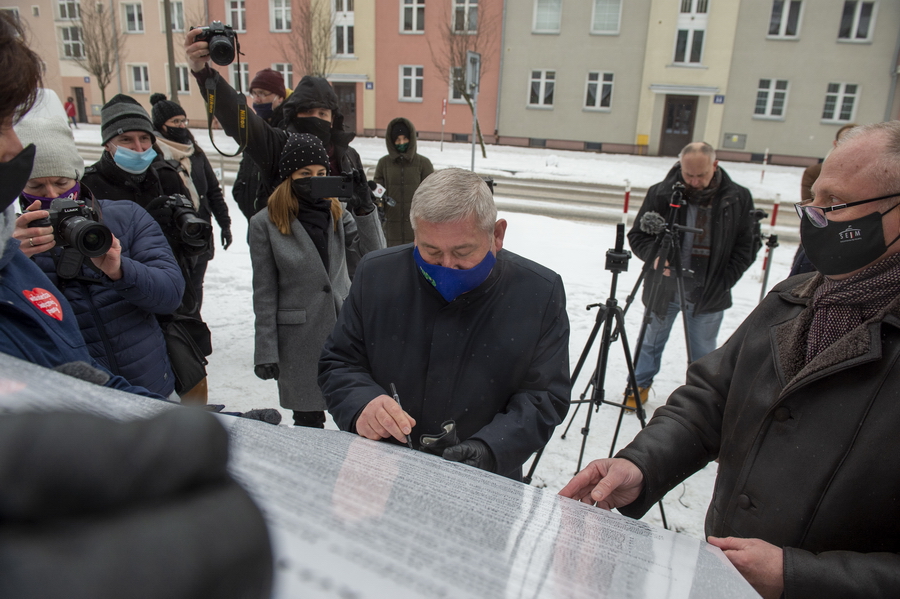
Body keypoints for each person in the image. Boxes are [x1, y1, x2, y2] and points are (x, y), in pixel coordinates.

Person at [560, 121, 900, 599]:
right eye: (812, 200)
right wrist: (641, 465)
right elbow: (709, 401)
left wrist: (800, 577)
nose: (813, 219)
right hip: (723, 579)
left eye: (834, 204)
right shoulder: (791, 301)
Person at [319, 168, 571, 480]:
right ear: (415, 235)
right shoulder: (377, 276)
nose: (447, 266)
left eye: (463, 252)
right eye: (432, 251)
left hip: (485, 484)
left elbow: (544, 395)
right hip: (380, 473)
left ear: (497, 234)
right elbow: (339, 361)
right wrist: (362, 404)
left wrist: (489, 449)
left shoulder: (537, 293)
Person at [13, 107, 184, 398]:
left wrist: (121, 271)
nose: (53, 195)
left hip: (150, 386)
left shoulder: (126, 216)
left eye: (62, 183)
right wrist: (12, 262)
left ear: (78, 178)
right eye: (37, 185)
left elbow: (170, 295)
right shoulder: (12, 239)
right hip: (67, 398)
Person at [81, 93, 213, 403]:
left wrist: (182, 234)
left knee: (195, 396)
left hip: (175, 306)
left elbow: (192, 242)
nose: (139, 148)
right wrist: (144, 225)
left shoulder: (166, 176)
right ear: (107, 144)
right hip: (125, 314)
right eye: (126, 140)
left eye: (145, 139)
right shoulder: (90, 187)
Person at [251, 133, 385, 428]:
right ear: (289, 177)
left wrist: (365, 208)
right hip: (298, 339)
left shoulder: (338, 213)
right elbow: (264, 292)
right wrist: (266, 350)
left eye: (322, 174)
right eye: (305, 174)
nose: (315, 180)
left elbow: (374, 257)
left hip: (343, 331)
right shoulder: (265, 223)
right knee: (308, 425)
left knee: (355, 418)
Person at [184, 30, 376, 228]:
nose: (315, 119)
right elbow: (239, 118)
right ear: (294, 115)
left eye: (322, 113)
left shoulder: (347, 155)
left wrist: (367, 206)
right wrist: (203, 73)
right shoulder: (278, 145)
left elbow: (362, 216)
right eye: (308, 111)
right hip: (288, 244)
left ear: (332, 118)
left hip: (338, 250)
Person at [625, 142, 757, 406]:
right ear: (679, 167)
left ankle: (699, 399)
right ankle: (638, 386)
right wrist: (655, 258)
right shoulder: (661, 193)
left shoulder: (737, 197)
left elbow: (748, 244)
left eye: (701, 175)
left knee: (704, 353)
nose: (694, 182)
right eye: (689, 175)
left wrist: (724, 279)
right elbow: (638, 235)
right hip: (664, 289)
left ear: (715, 165)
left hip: (708, 292)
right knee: (649, 343)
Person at [151, 92, 233, 309]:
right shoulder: (153, 155)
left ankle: (195, 324)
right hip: (172, 238)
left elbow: (213, 191)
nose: (181, 126)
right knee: (178, 287)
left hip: (200, 232)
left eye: (183, 120)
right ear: (161, 125)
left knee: (197, 285)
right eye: (175, 122)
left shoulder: (195, 152)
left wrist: (225, 224)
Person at [790, 123, 857, 276]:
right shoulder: (815, 172)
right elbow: (813, 213)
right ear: (835, 143)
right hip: (819, 241)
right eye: (845, 139)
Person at [233, 68, 288, 222]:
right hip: (254, 222)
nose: (257, 99)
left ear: (280, 97)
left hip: (277, 223)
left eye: (263, 93)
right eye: (254, 93)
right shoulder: (255, 129)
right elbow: (245, 169)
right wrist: (241, 194)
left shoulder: (287, 130)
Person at [374, 117, 434, 246]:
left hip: (417, 226)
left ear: (411, 139)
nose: (401, 143)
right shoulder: (383, 163)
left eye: (405, 139)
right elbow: (377, 192)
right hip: (391, 227)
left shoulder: (423, 163)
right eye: (397, 140)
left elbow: (432, 195)